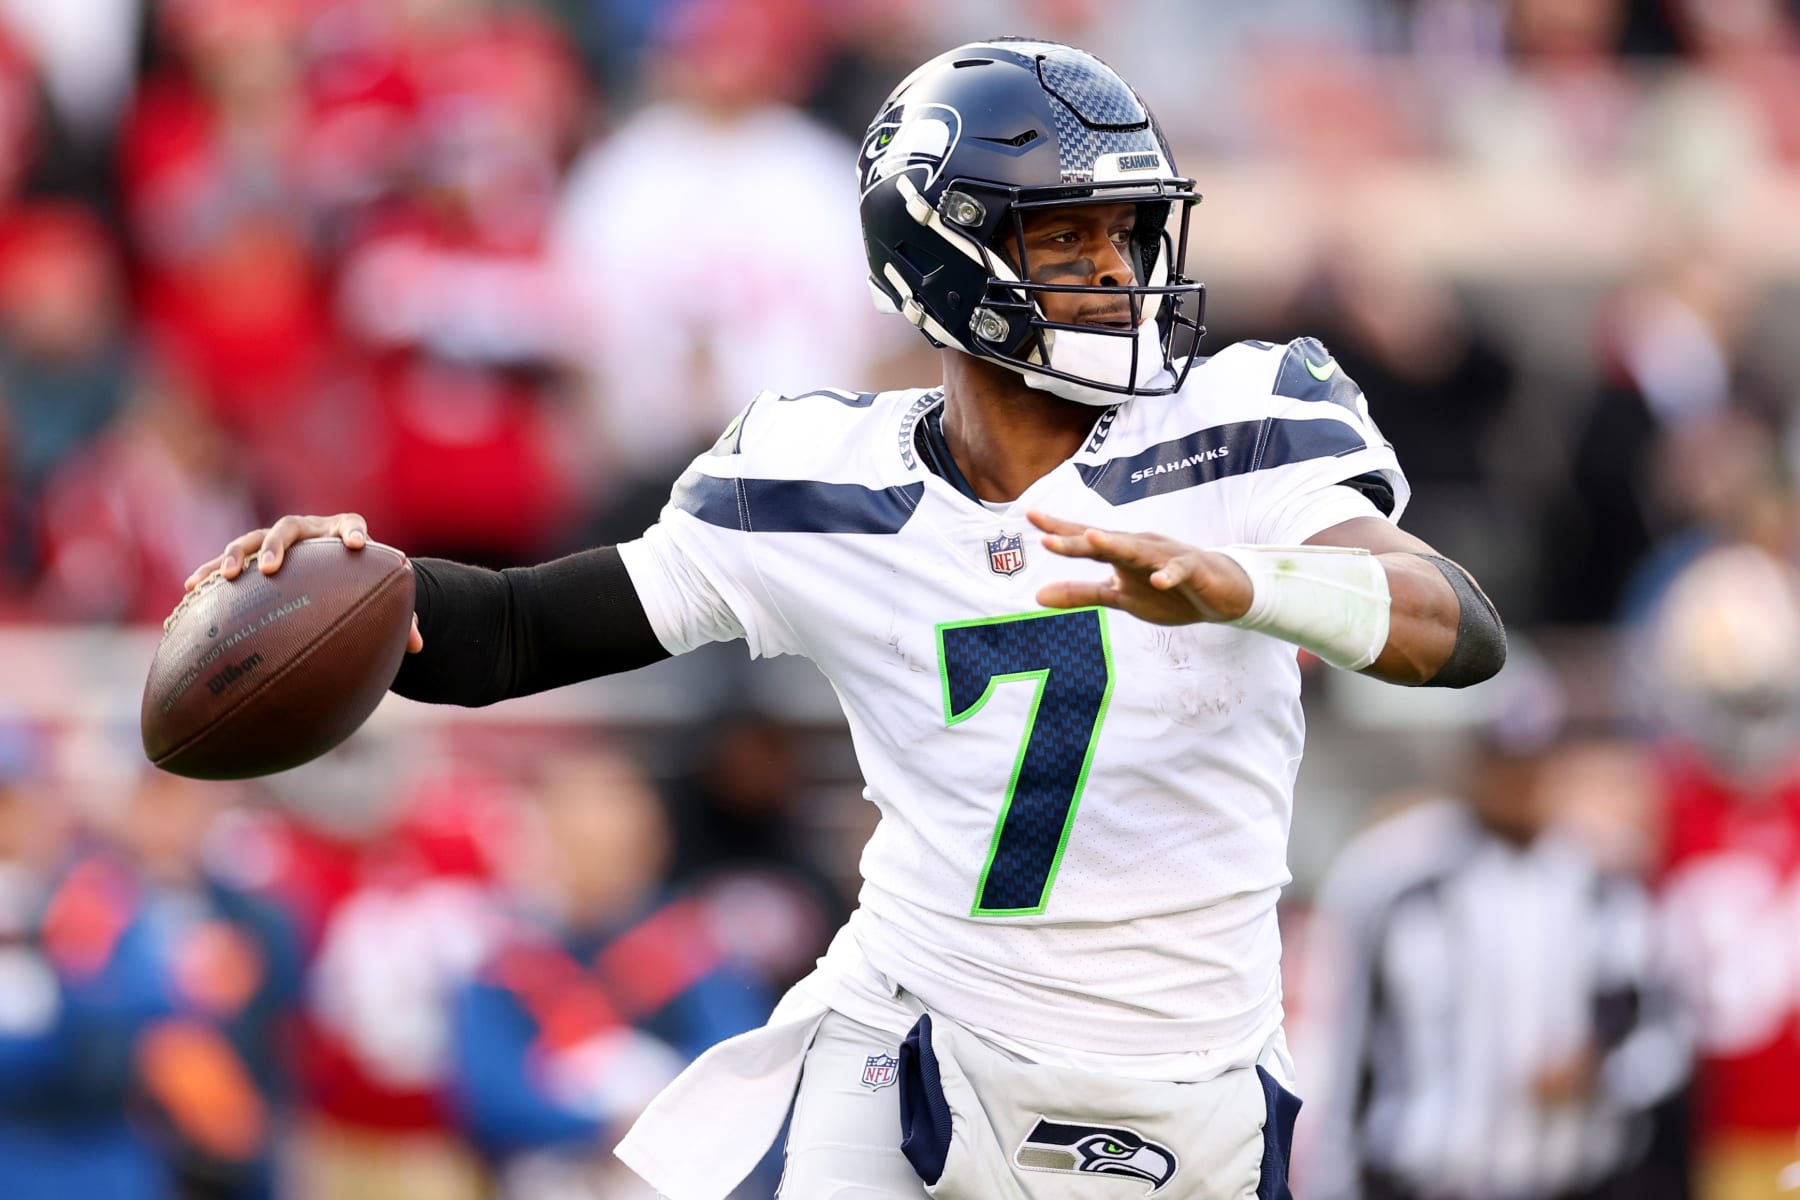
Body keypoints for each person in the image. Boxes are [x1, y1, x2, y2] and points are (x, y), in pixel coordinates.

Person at [181, 38, 1506, 1199]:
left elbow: (1456, 630)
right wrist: (353, 581)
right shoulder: (821, 482)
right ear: (942, 249)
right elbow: (522, 634)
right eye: (1069, 236)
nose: (1118, 270)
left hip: (1185, 1076)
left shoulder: (1236, 424)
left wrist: (1244, 583)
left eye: (1126, 232)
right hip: (913, 1031)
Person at [1297, 662, 1690, 1200]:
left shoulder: (1605, 886)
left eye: (1532, 765)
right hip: (1427, 1182)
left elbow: (1667, 1038)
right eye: (1503, 764)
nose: (1518, 785)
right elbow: (1347, 1055)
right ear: (1472, 763)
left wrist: (1600, 1071)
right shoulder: (1397, 880)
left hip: (1572, 1179)